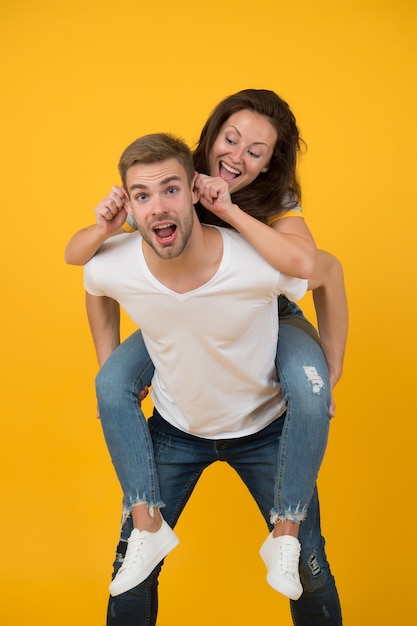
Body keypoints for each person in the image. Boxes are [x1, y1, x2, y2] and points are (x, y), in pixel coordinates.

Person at [66, 90, 347, 603]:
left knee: (311, 391)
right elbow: (92, 263)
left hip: (266, 314)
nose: (237, 156)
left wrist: (228, 209)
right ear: (211, 135)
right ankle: (147, 528)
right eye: (230, 138)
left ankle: (285, 539)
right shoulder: (171, 181)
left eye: (256, 152)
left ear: (270, 166)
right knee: (109, 384)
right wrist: (110, 219)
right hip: (177, 315)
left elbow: (311, 268)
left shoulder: (273, 201)